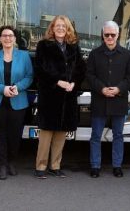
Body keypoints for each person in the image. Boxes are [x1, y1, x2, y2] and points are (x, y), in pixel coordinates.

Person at [33, 15, 86, 179]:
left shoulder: (73, 47)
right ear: (52, 28)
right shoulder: (43, 46)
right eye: (58, 26)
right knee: (46, 134)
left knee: (61, 134)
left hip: (67, 97)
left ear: (68, 28)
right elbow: (40, 71)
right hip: (50, 96)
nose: (61, 28)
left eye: (64, 26)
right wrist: (57, 82)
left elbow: (80, 70)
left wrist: (73, 84)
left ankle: (55, 166)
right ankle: (40, 167)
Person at [86, 21, 130, 178]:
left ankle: (117, 166)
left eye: (112, 35)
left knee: (118, 135)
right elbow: (89, 75)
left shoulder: (128, 55)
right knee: (96, 135)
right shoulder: (94, 54)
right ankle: (95, 166)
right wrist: (101, 88)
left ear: (118, 35)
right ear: (102, 35)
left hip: (119, 100)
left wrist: (119, 88)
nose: (109, 37)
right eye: (106, 34)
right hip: (99, 100)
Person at [0, 26, 33, 180]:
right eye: (4, 35)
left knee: (14, 135)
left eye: (10, 35)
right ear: (0, 38)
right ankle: (2, 165)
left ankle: (12, 162)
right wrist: (3, 89)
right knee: (1, 135)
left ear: (15, 39)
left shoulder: (24, 56)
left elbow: (29, 76)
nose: (7, 38)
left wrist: (18, 87)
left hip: (17, 101)